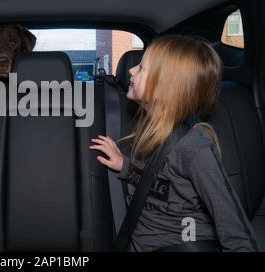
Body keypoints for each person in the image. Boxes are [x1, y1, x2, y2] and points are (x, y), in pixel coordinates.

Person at [90, 35, 258, 252]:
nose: (131, 70)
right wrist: (125, 165)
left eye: (141, 68)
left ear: (165, 88)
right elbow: (159, 182)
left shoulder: (194, 148)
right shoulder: (151, 131)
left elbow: (235, 230)